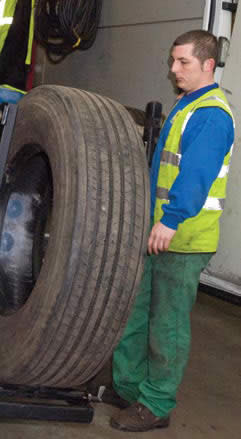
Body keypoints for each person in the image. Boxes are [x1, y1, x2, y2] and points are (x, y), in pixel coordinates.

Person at [105, 30, 235, 432]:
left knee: (168, 326)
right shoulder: (187, 104)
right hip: (159, 232)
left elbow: (195, 177)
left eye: (183, 63)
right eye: (172, 61)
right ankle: (129, 387)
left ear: (208, 65)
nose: (173, 70)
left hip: (184, 239)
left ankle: (157, 404)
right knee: (136, 312)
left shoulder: (212, 114)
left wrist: (171, 220)